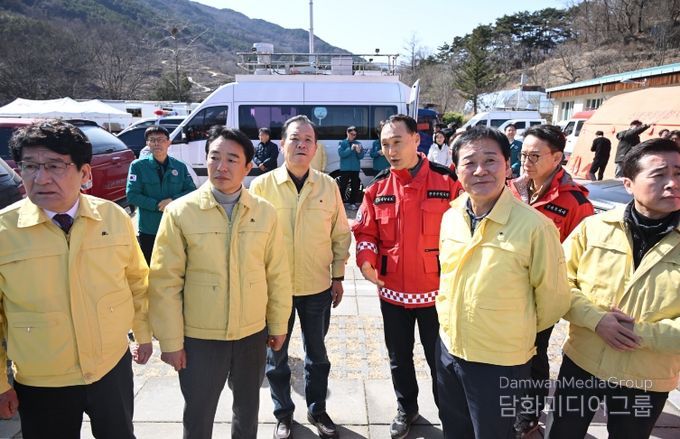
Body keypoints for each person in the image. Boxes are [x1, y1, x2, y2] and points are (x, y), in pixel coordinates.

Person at [0, 119, 152, 438]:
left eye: (55, 166)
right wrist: (1, 383)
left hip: (111, 367)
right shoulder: (5, 231)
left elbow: (137, 281)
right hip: (42, 380)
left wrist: (143, 334)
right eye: (30, 166)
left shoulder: (112, 217)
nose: (40, 178)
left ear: (85, 174)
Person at [148, 126, 292, 439]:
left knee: (248, 410)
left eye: (231, 159)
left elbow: (277, 274)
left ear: (248, 167)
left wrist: (278, 324)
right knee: (198, 413)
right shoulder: (180, 212)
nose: (221, 166)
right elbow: (164, 282)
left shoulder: (265, 213)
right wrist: (171, 341)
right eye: (214, 157)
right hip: (200, 337)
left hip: (251, 334)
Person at [436, 126, 570, 439]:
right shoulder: (451, 216)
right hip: (449, 350)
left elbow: (552, 301)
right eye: (469, 163)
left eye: (490, 160)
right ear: (456, 170)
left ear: (507, 166)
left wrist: (511, 330)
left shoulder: (535, 227)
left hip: (500, 360)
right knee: (454, 429)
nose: (480, 170)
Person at [546, 138, 680, 439]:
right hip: (583, 362)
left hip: (648, 375)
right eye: (659, 174)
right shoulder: (594, 228)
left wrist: (641, 334)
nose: (672, 183)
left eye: (678, 173)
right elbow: (559, 284)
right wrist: (596, 320)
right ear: (628, 184)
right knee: (562, 432)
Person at [352, 114, 463, 439]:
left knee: (441, 362)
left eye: (397, 142)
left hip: (437, 295)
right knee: (398, 358)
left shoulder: (447, 182)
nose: (391, 151)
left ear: (416, 140)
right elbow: (365, 233)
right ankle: (407, 408)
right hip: (392, 293)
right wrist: (366, 261)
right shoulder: (377, 188)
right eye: (385, 144)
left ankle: (450, 416)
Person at [250, 115, 351, 439]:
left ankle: (317, 410)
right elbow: (250, 240)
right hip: (274, 290)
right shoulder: (262, 186)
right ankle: (283, 414)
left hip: (317, 287)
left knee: (317, 356)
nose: (301, 145)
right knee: (276, 356)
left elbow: (340, 234)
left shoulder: (327, 185)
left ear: (316, 147)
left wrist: (338, 276)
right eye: (294, 138)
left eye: (308, 140)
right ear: (282, 144)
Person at [508, 124, 594, 437]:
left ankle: (529, 414)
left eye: (534, 156)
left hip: (542, 295)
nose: (525, 161)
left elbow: (583, 258)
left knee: (534, 353)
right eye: (523, 154)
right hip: (507, 290)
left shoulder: (576, 202)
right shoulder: (512, 190)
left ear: (557, 158)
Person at [126, 125, 196, 264]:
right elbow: (132, 195)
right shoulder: (138, 166)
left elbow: (191, 191)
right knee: (150, 265)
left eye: (161, 140)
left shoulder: (180, 166)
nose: (157, 143)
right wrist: (157, 205)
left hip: (175, 226)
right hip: (150, 227)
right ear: (147, 144)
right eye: (152, 140)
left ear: (169, 143)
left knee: (176, 264)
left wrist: (172, 201)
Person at [337, 126, 365, 207]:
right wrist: (350, 149)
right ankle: (340, 204)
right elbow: (341, 154)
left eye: (355, 135)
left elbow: (361, 156)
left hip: (355, 168)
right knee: (343, 186)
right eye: (351, 134)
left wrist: (359, 152)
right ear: (347, 133)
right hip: (345, 169)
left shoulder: (358, 143)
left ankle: (352, 203)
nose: (353, 136)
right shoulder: (342, 143)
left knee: (355, 186)